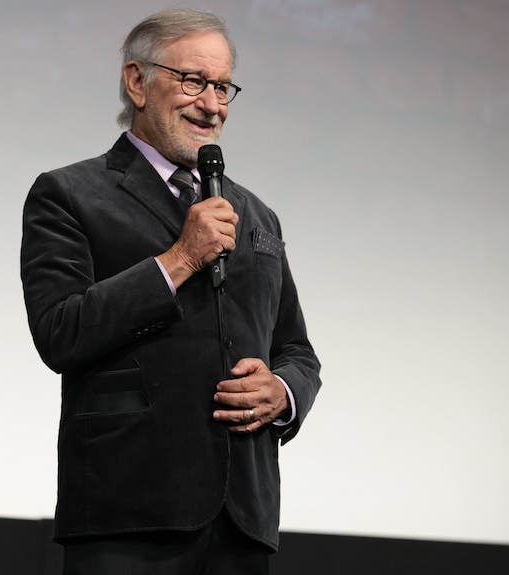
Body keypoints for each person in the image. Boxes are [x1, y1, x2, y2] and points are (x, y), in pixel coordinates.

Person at [20, 8, 321, 574]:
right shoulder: (69, 194)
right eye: (193, 82)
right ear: (138, 81)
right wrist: (180, 259)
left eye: (223, 86)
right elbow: (60, 331)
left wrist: (282, 393)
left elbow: (298, 352)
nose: (212, 104)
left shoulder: (257, 215)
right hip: (129, 511)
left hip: (243, 519)